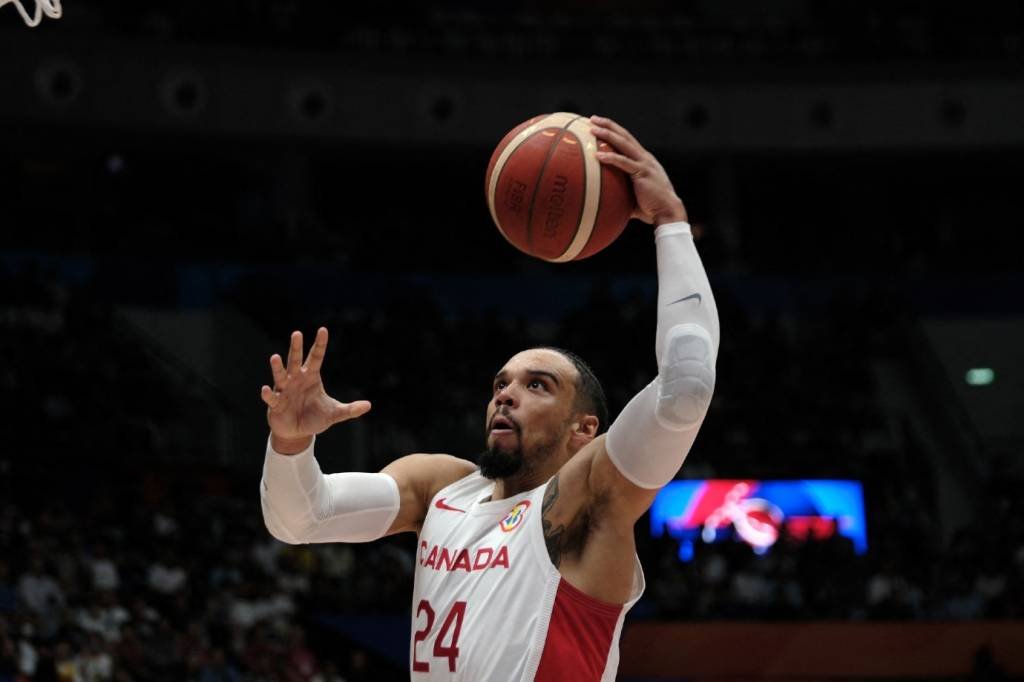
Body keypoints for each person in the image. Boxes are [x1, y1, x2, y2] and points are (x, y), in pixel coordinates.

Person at [259, 115, 720, 681]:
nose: (505, 395)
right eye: (500, 383)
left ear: (585, 429)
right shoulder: (440, 488)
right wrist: (290, 441)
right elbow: (299, 519)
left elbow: (686, 389)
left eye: (536, 386)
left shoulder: (588, 504)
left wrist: (671, 222)